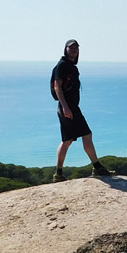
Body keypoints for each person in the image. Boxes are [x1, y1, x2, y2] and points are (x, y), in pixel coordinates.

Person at [51, 39, 113, 181]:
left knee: (67, 141)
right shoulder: (62, 65)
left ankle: (58, 174)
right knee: (87, 135)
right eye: (71, 47)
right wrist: (66, 106)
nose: (74, 50)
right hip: (69, 108)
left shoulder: (70, 66)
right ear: (65, 49)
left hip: (66, 107)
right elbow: (57, 86)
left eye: (76, 48)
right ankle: (97, 168)